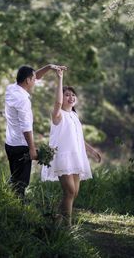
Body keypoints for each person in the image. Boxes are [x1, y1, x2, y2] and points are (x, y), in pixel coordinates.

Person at [41, 68, 101, 226]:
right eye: (67, 94)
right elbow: (58, 102)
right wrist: (60, 78)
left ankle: (56, 219)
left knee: (74, 193)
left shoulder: (74, 116)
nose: (71, 97)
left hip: (76, 157)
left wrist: (92, 151)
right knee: (70, 191)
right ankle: (67, 227)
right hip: (63, 157)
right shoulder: (58, 115)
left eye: (73, 95)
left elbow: (78, 138)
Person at [5, 64, 67, 199]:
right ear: (27, 80)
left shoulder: (11, 89)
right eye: (33, 79)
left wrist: (49, 67)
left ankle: (7, 202)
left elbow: (36, 76)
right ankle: (17, 210)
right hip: (21, 146)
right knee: (21, 183)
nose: (35, 81)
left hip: (10, 143)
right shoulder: (23, 100)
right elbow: (26, 127)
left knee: (15, 178)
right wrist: (31, 149)